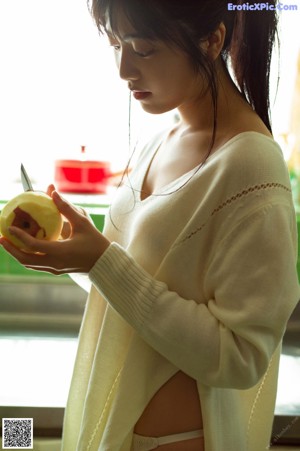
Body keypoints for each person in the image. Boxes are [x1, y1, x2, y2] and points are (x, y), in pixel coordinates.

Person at [1, 0, 299, 450]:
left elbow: (242, 357)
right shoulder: (161, 138)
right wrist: (81, 257)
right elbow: (141, 281)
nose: (124, 70)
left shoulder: (251, 165)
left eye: (142, 49)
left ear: (212, 40)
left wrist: (101, 260)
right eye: (116, 44)